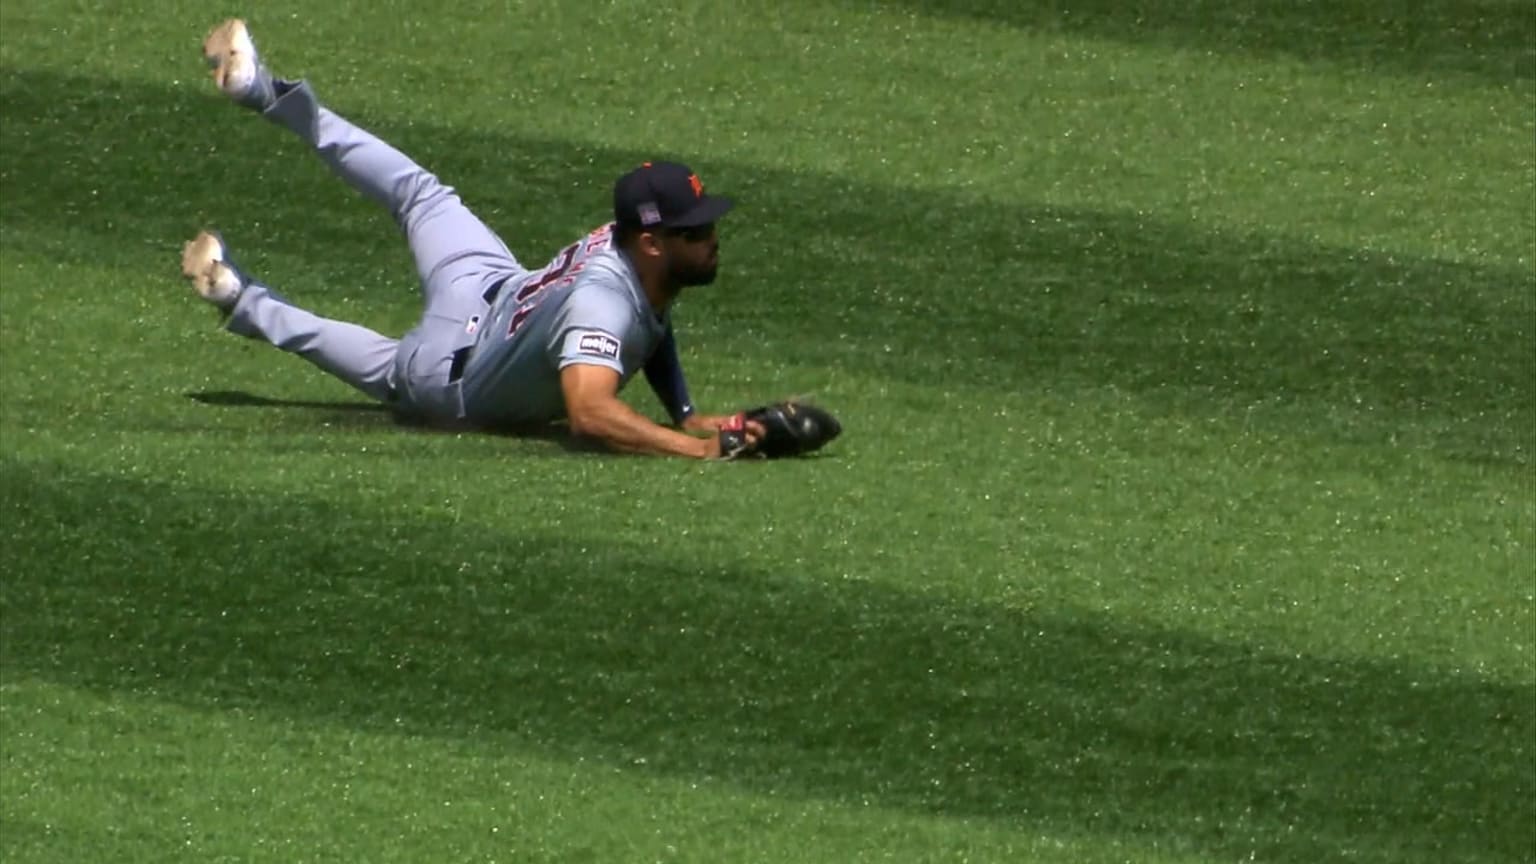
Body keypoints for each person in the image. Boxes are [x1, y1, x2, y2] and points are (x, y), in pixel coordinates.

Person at [182, 19, 762, 458]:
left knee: (419, 193)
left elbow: (652, 318)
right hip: (451, 376)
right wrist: (697, 448)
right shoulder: (601, 306)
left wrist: (684, 412)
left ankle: (264, 93)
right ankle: (239, 297)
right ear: (654, 243)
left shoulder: (625, 245)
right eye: (697, 230)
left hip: (487, 285)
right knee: (391, 372)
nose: (713, 238)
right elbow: (590, 412)